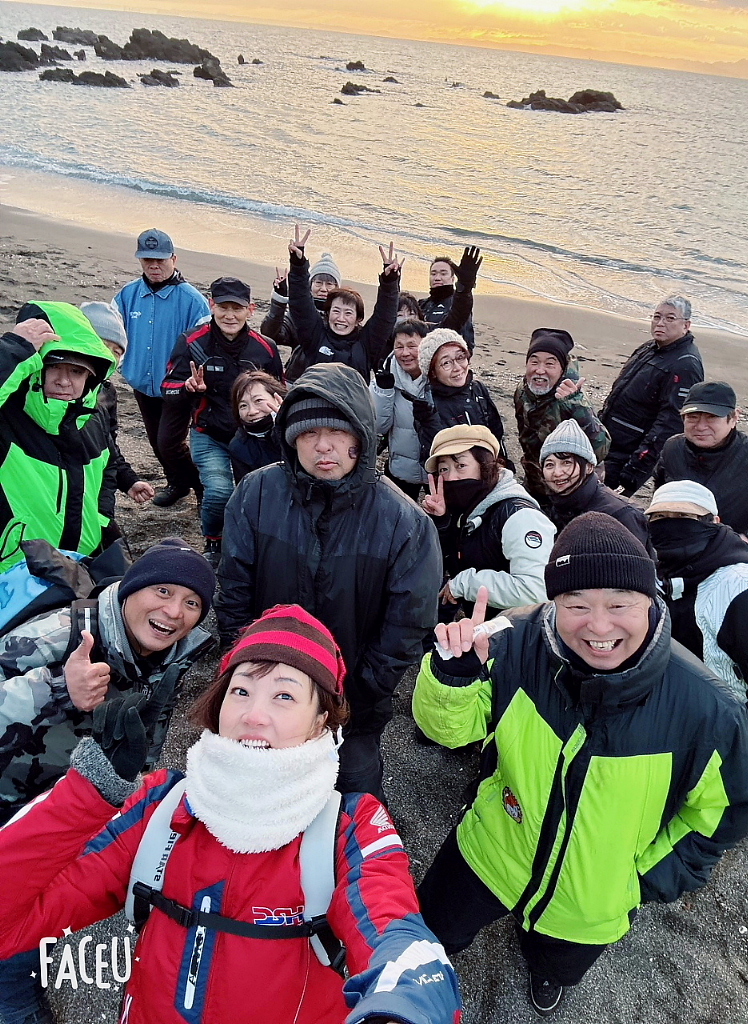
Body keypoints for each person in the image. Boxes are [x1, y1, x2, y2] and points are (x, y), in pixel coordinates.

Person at [0, 605, 462, 1024]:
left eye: (284, 696)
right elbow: (11, 923)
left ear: (321, 720)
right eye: (240, 690)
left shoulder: (349, 827)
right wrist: (88, 793)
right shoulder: (160, 807)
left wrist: (404, 1009)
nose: (253, 715)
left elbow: (392, 929)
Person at [413, 513, 748, 1017]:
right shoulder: (512, 642)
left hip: (592, 896)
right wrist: (453, 673)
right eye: (576, 604)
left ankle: (547, 971)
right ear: (554, 603)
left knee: (558, 961)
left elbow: (720, 815)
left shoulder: (709, 710)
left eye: (619, 604)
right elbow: (450, 732)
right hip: (491, 845)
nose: (598, 626)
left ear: (651, 600)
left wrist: (639, 878)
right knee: (433, 929)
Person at [0, 537, 215, 1024]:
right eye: (163, 591)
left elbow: (148, 724)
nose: (174, 611)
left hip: (61, 802)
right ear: (133, 589)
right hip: (10, 795)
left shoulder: (169, 652)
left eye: (191, 603)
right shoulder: (60, 634)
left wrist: (135, 778)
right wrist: (59, 688)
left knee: (41, 900)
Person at [216, 363, 442, 799]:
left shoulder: (405, 522)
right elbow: (234, 590)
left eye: (337, 432)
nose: (323, 446)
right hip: (266, 690)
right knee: (256, 797)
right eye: (308, 433)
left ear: (361, 436)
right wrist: (247, 668)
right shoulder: (255, 494)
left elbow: (407, 625)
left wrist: (357, 691)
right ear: (290, 438)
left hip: (353, 702)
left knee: (352, 801)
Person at [645, 480, 748, 836]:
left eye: (684, 517)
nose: (671, 525)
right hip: (691, 719)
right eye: (660, 518)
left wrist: (735, 754)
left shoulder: (744, 589)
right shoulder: (661, 575)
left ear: (715, 521)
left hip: (742, 740)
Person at [161, 277, 284, 564]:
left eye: (237, 308)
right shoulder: (192, 342)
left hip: (256, 436)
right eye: (223, 307)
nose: (230, 315)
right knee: (219, 491)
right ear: (211, 305)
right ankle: (214, 541)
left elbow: (280, 389)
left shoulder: (265, 348)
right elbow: (167, 388)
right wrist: (188, 388)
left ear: (250, 310)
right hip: (209, 434)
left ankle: (258, 540)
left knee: (260, 492)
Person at [0, 302, 119, 573]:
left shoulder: (93, 416)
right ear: (35, 368)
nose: (64, 381)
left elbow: (108, 467)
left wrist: (101, 518)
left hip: (81, 564)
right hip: (15, 570)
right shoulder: (7, 416)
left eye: (77, 371)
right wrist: (14, 349)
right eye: (54, 367)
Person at [114, 228, 210, 508]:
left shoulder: (192, 300)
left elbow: (205, 344)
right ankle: (177, 483)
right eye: (148, 260)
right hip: (142, 383)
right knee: (157, 442)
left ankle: (202, 487)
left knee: (170, 442)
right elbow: (113, 333)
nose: (154, 266)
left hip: (178, 387)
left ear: (174, 259)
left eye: (160, 260)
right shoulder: (128, 295)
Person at [422, 425, 555, 618]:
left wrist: (465, 584)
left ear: (485, 466)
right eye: (444, 469)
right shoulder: (467, 509)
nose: (451, 477)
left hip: (518, 630)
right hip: (486, 626)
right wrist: (442, 522)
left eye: (461, 465)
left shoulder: (519, 516)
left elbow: (535, 589)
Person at [654, 380, 748, 570]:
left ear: (734, 418)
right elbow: (660, 491)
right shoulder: (673, 448)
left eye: (712, 417)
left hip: (736, 561)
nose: (700, 426)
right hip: (674, 556)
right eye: (693, 417)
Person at [600, 296, 704, 496]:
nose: (660, 323)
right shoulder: (650, 347)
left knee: (604, 502)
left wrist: (636, 467)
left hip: (629, 452)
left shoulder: (686, 365)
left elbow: (671, 424)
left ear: (686, 325)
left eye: (670, 318)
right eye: (657, 316)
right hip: (608, 438)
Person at [286, 225, 402, 379]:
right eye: (336, 311)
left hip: (352, 395)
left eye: (348, 313)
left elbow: (385, 317)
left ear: (358, 319)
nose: (341, 318)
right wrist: (298, 265)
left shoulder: (366, 344)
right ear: (328, 314)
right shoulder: (315, 336)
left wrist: (390, 282)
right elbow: (300, 304)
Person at [513, 328, 609, 503]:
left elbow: (600, 450)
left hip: (569, 485)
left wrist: (574, 404)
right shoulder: (522, 391)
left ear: (562, 369)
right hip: (536, 478)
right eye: (534, 362)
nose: (540, 370)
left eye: (550, 364)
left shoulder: (572, 398)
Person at [80, 300, 155, 516]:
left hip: (98, 501)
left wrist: (128, 480)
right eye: (104, 345)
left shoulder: (106, 392)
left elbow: (108, 446)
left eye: (117, 351)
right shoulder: (51, 388)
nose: (110, 356)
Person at [540, 419, 652, 552]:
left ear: (589, 467)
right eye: (550, 465)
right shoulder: (552, 508)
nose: (557, 473)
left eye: (567, 463)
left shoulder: (622, 516)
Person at [411, 327, 506, 465]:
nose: (457, 368)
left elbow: (496, 434)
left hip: (490, 469)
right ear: (433, 372)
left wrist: (503, 463)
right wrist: (429, 423)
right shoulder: (428, 406)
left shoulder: (477, 388)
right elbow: (433, 458)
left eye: (460, 357)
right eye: (446, 363)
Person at [371, 317, 430, 500]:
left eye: (412, 346)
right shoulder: (385, 376)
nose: (405, 353)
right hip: (401, 468)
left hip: (438, 470)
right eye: (399, 346)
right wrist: (383, 391)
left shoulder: (443, 375)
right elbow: (378, 426)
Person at [261, 251, 342, 381]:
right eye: (318, 282)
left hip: (330, 381)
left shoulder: (342, 319)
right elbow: (270, 334)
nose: (323, 288)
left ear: (337, 287)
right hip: (297, 379)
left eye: (329, 284)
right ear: (310, 285)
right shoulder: (298, 315)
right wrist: (279, 300)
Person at [228, 370, 286, 483]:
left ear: (277, 398)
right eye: (243, 405)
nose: (252, 411)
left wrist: (284, 427)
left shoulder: (299, 431)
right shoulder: (238, 446)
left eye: (258, 400)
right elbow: (247, 489)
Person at [419, 249, 482, 350]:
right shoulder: (422, 304)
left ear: (452, 279)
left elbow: (458, 315)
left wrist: (464, 286)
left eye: (443, 274)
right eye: (433, 274)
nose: (437, 278)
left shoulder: (458, 302)